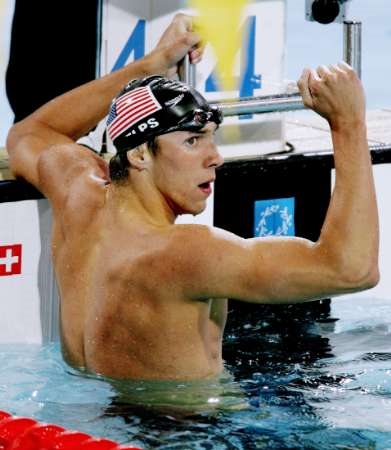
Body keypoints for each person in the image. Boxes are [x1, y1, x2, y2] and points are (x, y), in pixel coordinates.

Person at [6, 13, 379, 382]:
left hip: (90, 418)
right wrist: (348, 125)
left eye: (212, 138)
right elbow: (352, 270)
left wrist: (152, 66)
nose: (215, 157)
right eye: (192, 141)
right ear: (139, 155)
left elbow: (30, 132)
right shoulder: (186, 253)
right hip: (188, 432)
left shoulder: (77, 195)